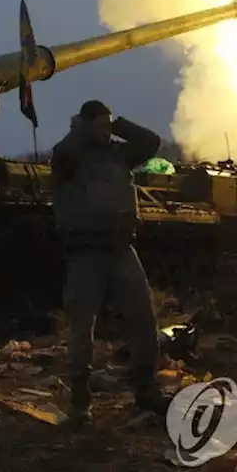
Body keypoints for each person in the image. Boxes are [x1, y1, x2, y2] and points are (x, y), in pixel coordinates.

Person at [51, 99, 167, 423]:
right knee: (81, 327)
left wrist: (119, 126)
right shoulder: (70, 157)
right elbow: (63, 153)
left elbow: (151, 143)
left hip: (120, 248)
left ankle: (146, 391)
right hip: (85, 251)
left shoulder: (119, 154)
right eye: (99, 127)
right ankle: (79, 402)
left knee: (144, 319)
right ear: (86, 127)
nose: (105, 132)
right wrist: (82, 130)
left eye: (108, 126)